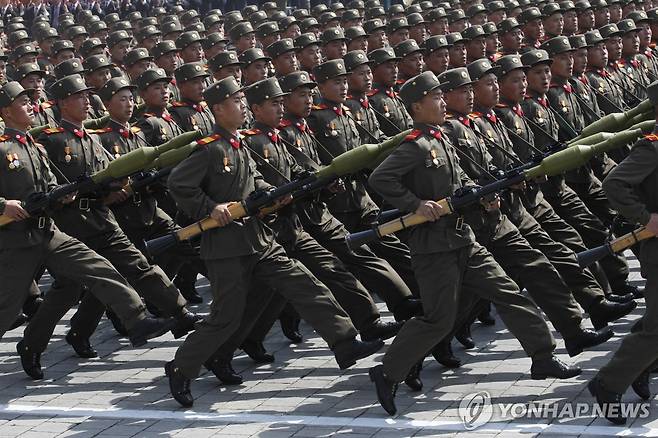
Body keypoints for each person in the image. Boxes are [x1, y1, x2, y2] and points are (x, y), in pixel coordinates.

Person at [367, 71, 580, 416]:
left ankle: (542, 356)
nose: (441, 102)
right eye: (435, 97)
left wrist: (482, 197)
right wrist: (415, 204)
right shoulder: (415, 145)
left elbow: (458, 178)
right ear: (417, 106)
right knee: (438, 318)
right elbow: (381, 178)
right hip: (434, 248)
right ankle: (388, 371)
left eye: (441, 96)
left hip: (464, 238)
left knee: (509, 293)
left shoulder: (441, 138)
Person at [163, 76, 384, 408]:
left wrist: (270, 193)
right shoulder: (209, 149)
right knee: (226, 315)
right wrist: (211, 208)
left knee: (306, 285)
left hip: (260, 238)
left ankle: (344, 342)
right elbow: (178, 185)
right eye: (236, 102)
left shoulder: (238, 144)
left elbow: (253, 180)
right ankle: (181, 366)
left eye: (242, 100)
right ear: (219, 109)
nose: (241, 107)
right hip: (226, 247)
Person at [0, 81, 175, 377]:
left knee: (98, 267)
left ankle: (137, 319)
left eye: (31, 101)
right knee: (6, 307)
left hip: (49, 232)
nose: (31, 106)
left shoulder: (34, 146)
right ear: (5, 111)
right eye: (22, 102)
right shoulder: (4, 148)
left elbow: (49, 184)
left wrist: (63, 194)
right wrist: (3, 205)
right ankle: (30, 345)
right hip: (17, 240)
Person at [589, 80, 658, 425]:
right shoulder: (652, 148)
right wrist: (646, 217)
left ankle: (642, 365)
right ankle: (607, 383)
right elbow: (614, 183)